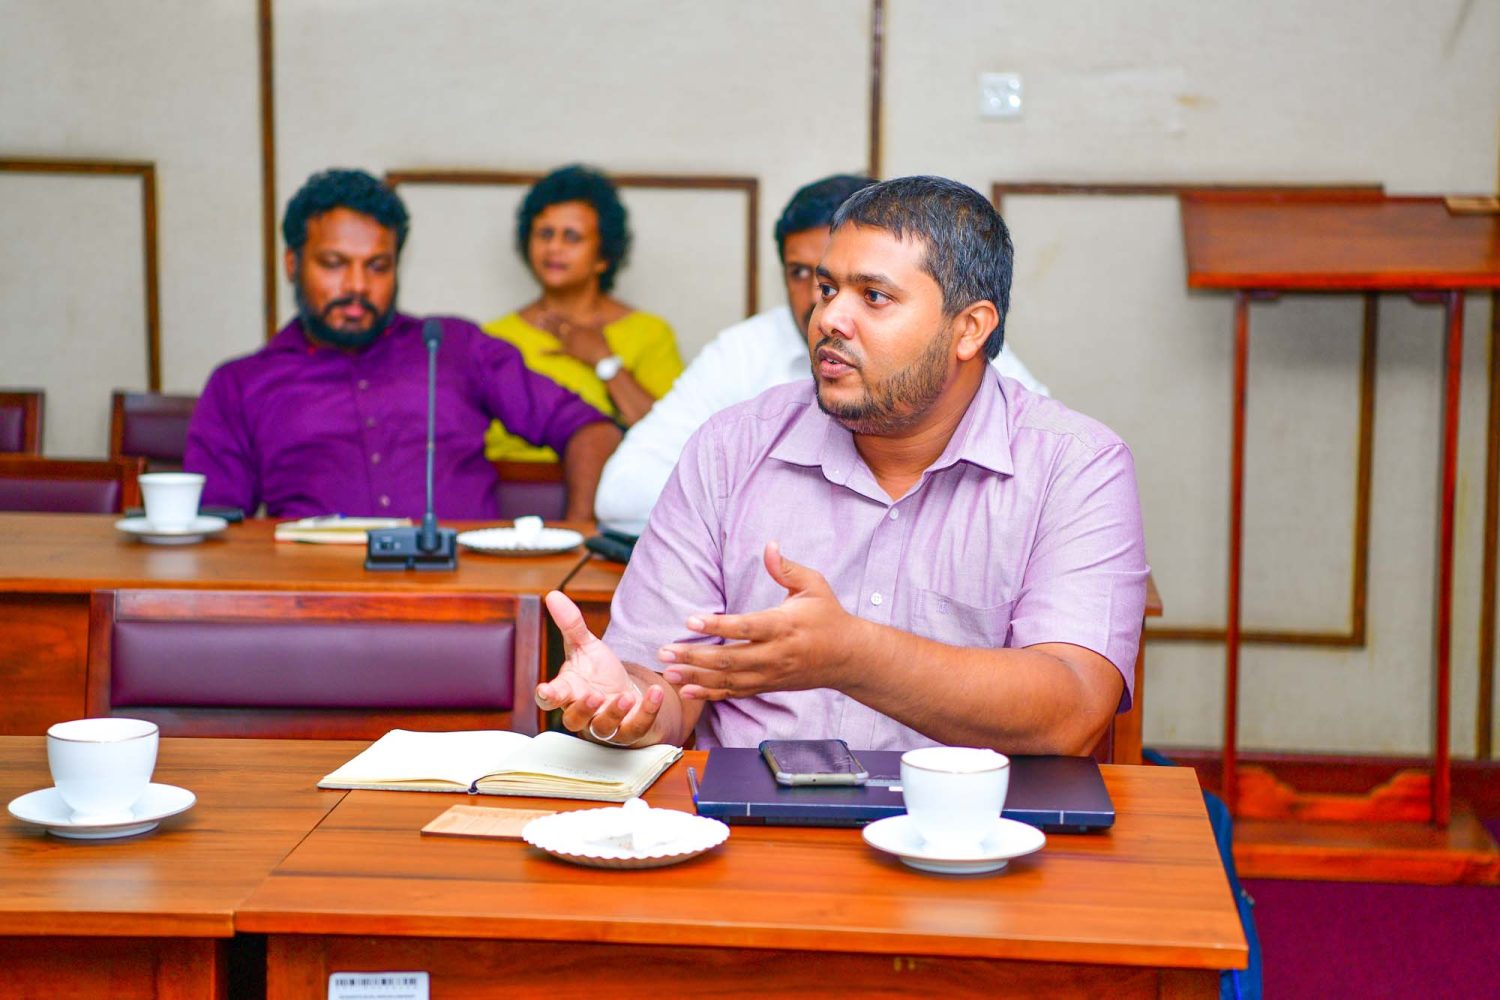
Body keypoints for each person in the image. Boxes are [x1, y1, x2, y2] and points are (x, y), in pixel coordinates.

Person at [537, 175, 1148, 756]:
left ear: (969, 329)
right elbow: (666, 687)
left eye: (874, 296)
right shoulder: (730, 448)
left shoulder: (1075, 466)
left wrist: (853, 655)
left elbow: (1074, 708)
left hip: (973, 821)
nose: (827, 317)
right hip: (751, 819)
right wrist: (626, 703)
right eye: (827, 289)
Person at [594, 173, 1048, 535]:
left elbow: (1043, 483)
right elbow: (621, 494)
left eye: (871, 292)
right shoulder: (744, 350)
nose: (824, 306)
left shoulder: (957, 353)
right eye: (812, 278)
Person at [185, 169, 620, 521]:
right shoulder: (240, 384)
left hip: (468, 594)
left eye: (377, 266)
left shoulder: (454, 347)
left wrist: (578, 534)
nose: (357, 285)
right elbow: (216, 528)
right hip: (313, 596)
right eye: (334, 264)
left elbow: (592, 429)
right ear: (292, 264)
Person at [483, 165, 683, 463]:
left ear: (603, 257)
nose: (554, 248)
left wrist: (605, 362)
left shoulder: (649, 333)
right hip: (509, 488)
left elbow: (672, 439)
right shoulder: (494, 337)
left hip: (611, 490)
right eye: (545, 234)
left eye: (572, 237)